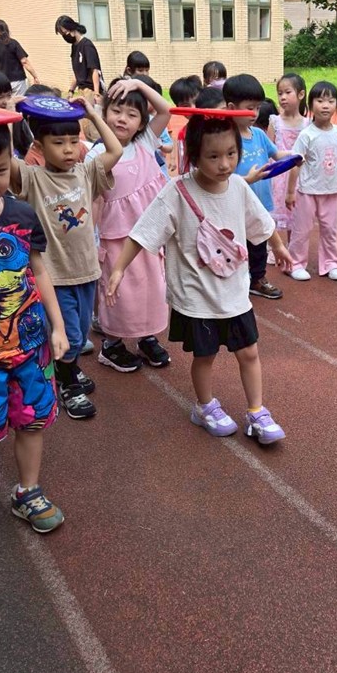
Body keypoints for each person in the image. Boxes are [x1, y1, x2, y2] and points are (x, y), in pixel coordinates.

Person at [106, 111, 292, 444]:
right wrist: (118, 268)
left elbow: (260, 222)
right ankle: (204, 406)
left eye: (231, 154)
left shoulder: (238, 186)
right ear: (194, 155)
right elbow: (143, 232)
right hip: (197, 298)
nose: (225, 164)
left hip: (235, 294)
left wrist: (278, 247)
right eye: (213, 156)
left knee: (249, 352)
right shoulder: (177, 191)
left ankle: (257, 411)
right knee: (204, 356)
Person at [0, 108, 67, 532]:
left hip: (30, 346)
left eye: (0, 169)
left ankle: (28, 491)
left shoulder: (22, 216)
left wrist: (58, 327)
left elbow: (38, 270)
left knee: (33, 418)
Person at [9, 99, 122, 419]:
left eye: (74, 141)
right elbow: (5, 160)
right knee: (70, 334)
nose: (69, 149)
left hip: (86, 270)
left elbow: (115, 151)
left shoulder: (86, 172)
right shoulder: (33, 178)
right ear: (39, 146)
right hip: (54, 274)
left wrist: (93, 115)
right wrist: (11, 118)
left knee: (81, 332)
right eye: (58, 143)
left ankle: (64, 367)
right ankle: (68, 383)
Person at [91, 77, 171, 372]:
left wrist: (137, 83)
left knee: (151, 289)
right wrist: (92, 241)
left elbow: (165, 110)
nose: (122, 119)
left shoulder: (145, 142)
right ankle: (112, 345)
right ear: (104, 114)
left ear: (141, 123)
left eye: (131, 114)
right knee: (119, 294)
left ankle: (146, 337)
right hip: (116, 238)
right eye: (116, 111)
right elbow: (94, 201)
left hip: (149, 237)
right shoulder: (97, 155)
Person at [224, 74, 288, 301]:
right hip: (234, 205)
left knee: (259, 242)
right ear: (232, 108)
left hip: (260, 203)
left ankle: (258, 279)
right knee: (236, 246)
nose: (255, 113)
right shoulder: (226, 138)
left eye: (258, 108)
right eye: (249, 108)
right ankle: (233, 282)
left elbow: (277, 154)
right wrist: (247, 180)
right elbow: (223, 176)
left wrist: (294, 156)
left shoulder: (259, 134)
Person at [286, 81, 337, 282]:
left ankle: (331, 263)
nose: (325, 105)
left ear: (336, 105)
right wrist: (290, 192)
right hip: (307, 191)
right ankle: (295, 264)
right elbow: (295, 163)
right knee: (302, 230)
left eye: (331, 101)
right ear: (310, 104)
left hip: (330, 191)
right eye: (320, 101)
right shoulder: (307, 135)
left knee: (330, 229)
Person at [268, 73, 309, 246]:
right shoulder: (275, 121)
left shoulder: (307, 124)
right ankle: (273, 248)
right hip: (278, 175)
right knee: (274, 214)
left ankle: (293, 248)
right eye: (280, 93)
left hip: (299, 176)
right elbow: (269, 149)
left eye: (287, 92)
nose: (283, 97)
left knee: (295, 215)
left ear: (301, 94)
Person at [54, 16, 104, 142]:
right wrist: (71, 90)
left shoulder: (87, 45)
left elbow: (94, 70)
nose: (65, 36)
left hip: (91, 90)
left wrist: (96, 93)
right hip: (82, 90)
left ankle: (99, 149)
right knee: (85, 126)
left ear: (72, 29)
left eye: (65, 33)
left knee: (94, 127)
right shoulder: (75, 47)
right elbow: (77, 73)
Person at [171, 76, 202, 175]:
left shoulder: (217, 126)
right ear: (178, 109)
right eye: (186, 105)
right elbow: (183, 166)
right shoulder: (183, 134)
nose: (193, 108)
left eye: (196, 102)